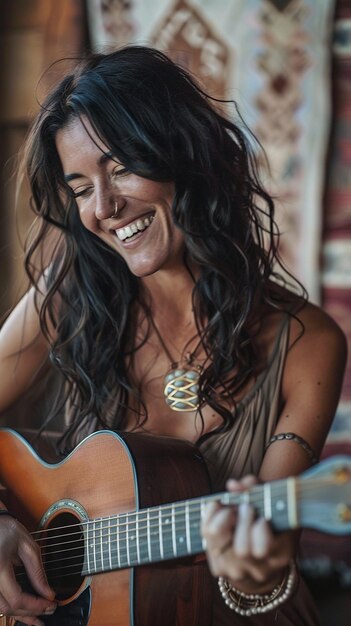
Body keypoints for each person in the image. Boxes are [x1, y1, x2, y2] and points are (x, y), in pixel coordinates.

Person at [0, 45, 347, 626]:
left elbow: (268, 561)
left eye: (121, 167)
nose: (105, 208)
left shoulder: (307, 343)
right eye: (81, 188)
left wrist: (254, 573)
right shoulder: (70, 295)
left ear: (183, 155)